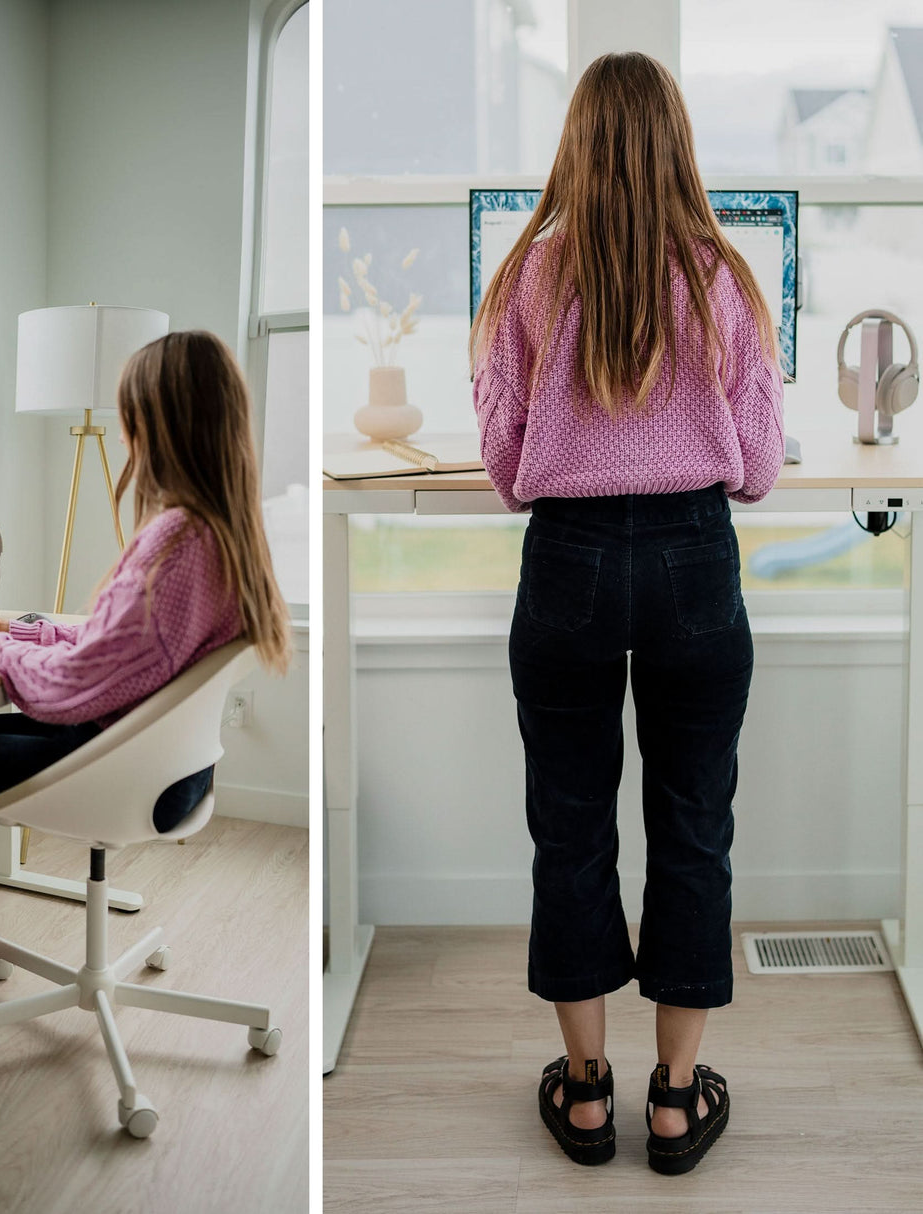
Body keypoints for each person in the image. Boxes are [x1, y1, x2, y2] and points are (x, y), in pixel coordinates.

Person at [470, 53, 783, 1174]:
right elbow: (756, 466)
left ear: (575, 147)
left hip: (568, 561)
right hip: (694, 554)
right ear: (674, 146)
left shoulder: (526, 278)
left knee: (570, 823)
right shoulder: (723, 278)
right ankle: (674, 1096)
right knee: (692, 823)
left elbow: (506, 466)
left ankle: (587, 1092)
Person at [0, 330, 291, 1010]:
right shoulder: (224, 531)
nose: (127, 433)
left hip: (114, 760)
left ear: (157, 422)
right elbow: (123, 645)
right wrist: (25, 630)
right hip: (157, 759)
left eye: (131, 416)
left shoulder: (174, 540)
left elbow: (69, 687)